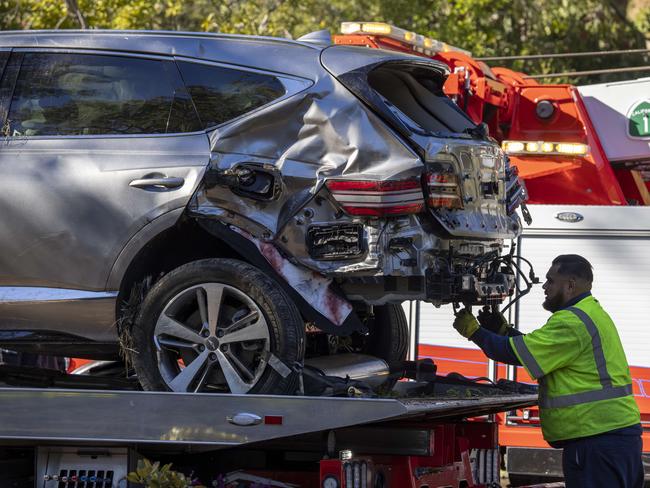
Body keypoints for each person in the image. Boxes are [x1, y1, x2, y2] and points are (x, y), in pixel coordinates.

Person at [453, 254, 643, 488]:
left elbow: (513, 353)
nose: (544, 287)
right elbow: (534, 349)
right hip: (612, 438)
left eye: (551, 281)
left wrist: (475, 332)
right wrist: (503, 331)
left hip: (596, 442)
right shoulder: (590, 312)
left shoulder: (571, 322)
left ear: (570, 284)